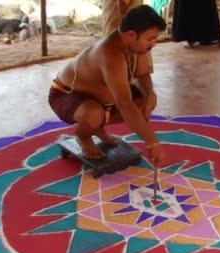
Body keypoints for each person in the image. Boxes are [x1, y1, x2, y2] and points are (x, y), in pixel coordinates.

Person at [48, 5, 166, 166]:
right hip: (66, 94)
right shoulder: (110, 54)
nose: (153, 44)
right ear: (131, 34)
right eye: (150, 38)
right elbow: (124, 103)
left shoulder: (138, 46)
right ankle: (83, 135)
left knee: (143, 103)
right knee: (93, 115)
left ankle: (97, 127)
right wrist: (152, 142)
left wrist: (150, 94)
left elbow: (143, 75)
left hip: (101, 97)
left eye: (155, 39)